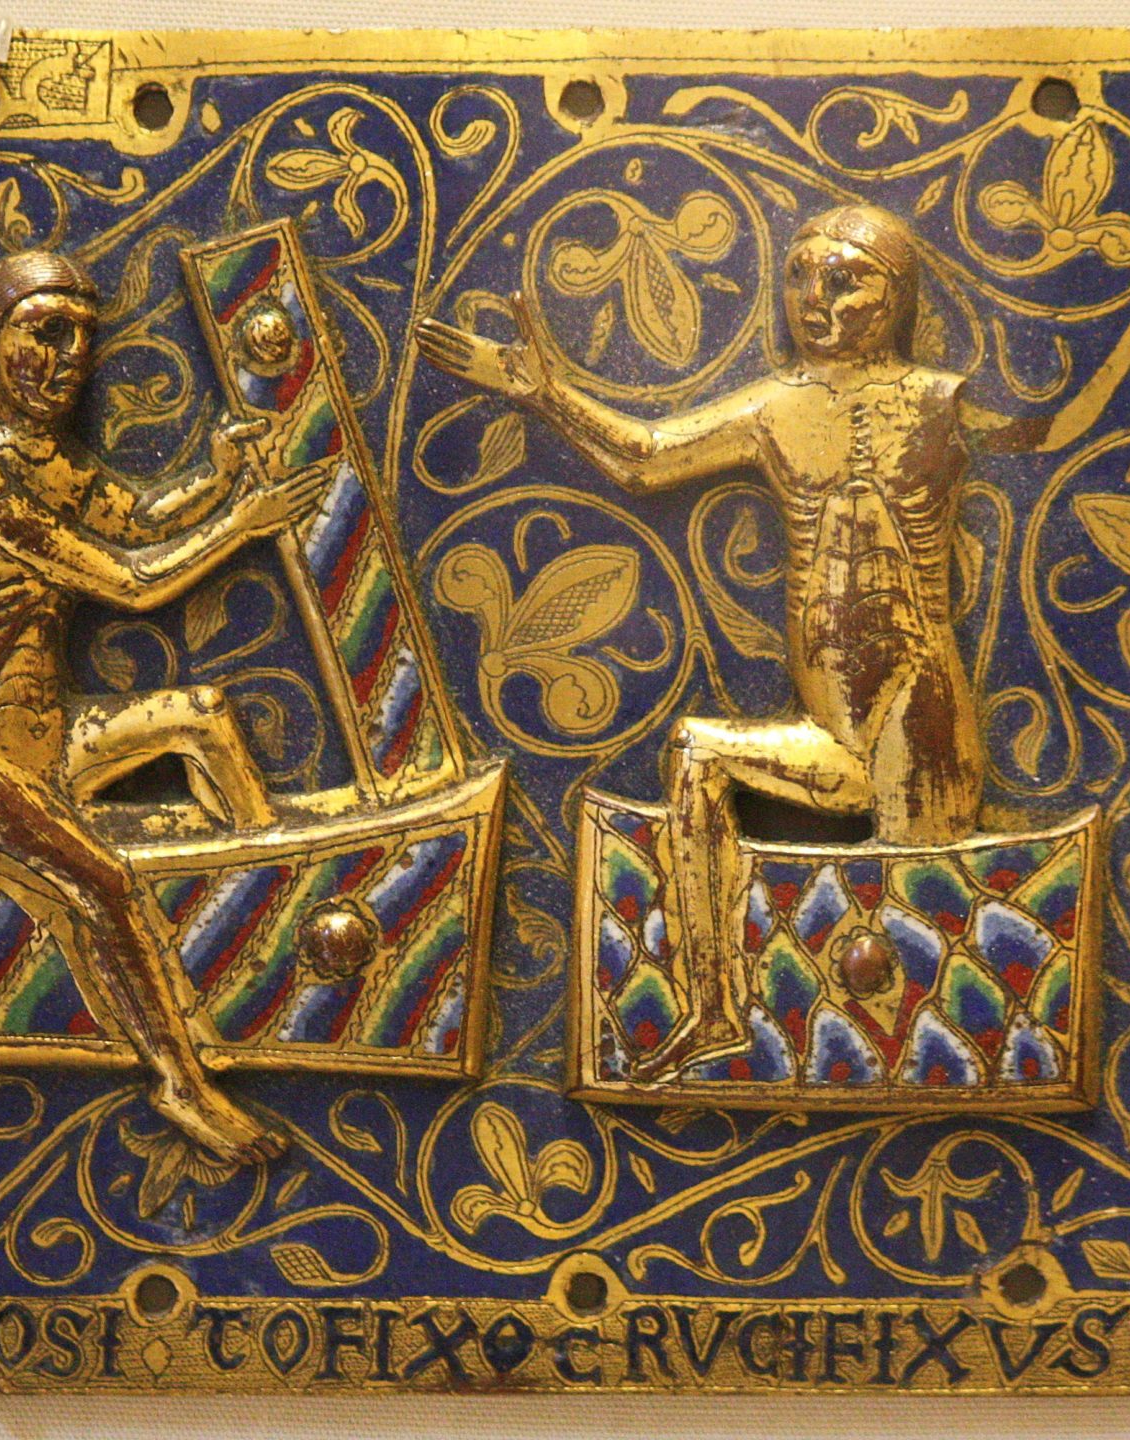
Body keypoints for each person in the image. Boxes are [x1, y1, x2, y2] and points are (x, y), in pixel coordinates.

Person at [417, 205, 995, 1078]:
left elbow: (1054, 429)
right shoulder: (776, 408)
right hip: (834, 727)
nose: (815, 298)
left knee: (919, 933)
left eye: (845, 280)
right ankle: (716, 1009)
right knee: (696, 753)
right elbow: (649, 457)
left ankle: (939, 1062)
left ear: (898, 296)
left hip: (918, 712)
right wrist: (542, 393)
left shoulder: (938, 401)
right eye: (800, 276)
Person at [0, 250, 328, 1164]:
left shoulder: (49, 465)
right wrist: (242, 524)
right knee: (104, 885)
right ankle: (181, 1086)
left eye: (83, 340)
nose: (69, 360)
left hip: (46, 744)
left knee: (203, 714)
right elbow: (132, 581)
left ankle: (273, 894)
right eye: (45, 334)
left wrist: (217, 478)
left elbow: (139, 520)